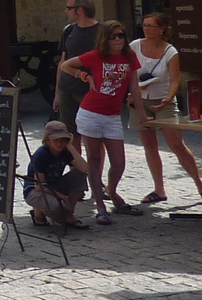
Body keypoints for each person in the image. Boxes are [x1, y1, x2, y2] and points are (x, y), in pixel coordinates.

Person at [60, 19, 147, 225]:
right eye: (113, 36)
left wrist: (141, 114)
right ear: (105, 39)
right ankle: (100, 206)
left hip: (112, 116)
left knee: (118, 162)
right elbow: (65, 65)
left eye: (121, 35)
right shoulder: (97, 56)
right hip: (91, 113)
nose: (117, 40)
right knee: (94, 160)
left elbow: (134, 87)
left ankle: (112, 191)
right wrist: (84, 76)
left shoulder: (129, 56)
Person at [131, 12, 202, 206]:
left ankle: (201, 186)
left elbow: (176, 79)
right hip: (140, 100)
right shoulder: (134, 46)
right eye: (145, 25)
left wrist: (168, 99)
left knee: (176, 144)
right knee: (149, 146)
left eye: (151, 25)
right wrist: (130, 93)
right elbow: (128, 72)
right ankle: (159, 189)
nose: (146, 28)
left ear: (162, 29)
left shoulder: (170, 51)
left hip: (163, 100)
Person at [24, 121, 90, 230]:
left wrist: (70, 147)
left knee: (79, 174)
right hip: (35, 190)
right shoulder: (41, 155)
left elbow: (85, 169)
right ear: (47, 140)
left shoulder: (64, 151)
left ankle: (68, 215)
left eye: (63, 140)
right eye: (56, 140)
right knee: (57, 207)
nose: (60, 143)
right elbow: (39, 186)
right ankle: (42, 213)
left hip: (53, 185)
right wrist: (64, 197)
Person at [53, 0, 100, 136]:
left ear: (80, 10)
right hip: (67, 89)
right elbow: (63, 61)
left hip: (90, 90)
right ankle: (74, 159)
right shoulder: (68, 30)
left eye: (69, 8)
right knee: (70, 135)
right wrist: (57, 93)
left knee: (93, 135)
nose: (65, 11)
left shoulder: (102, 32)